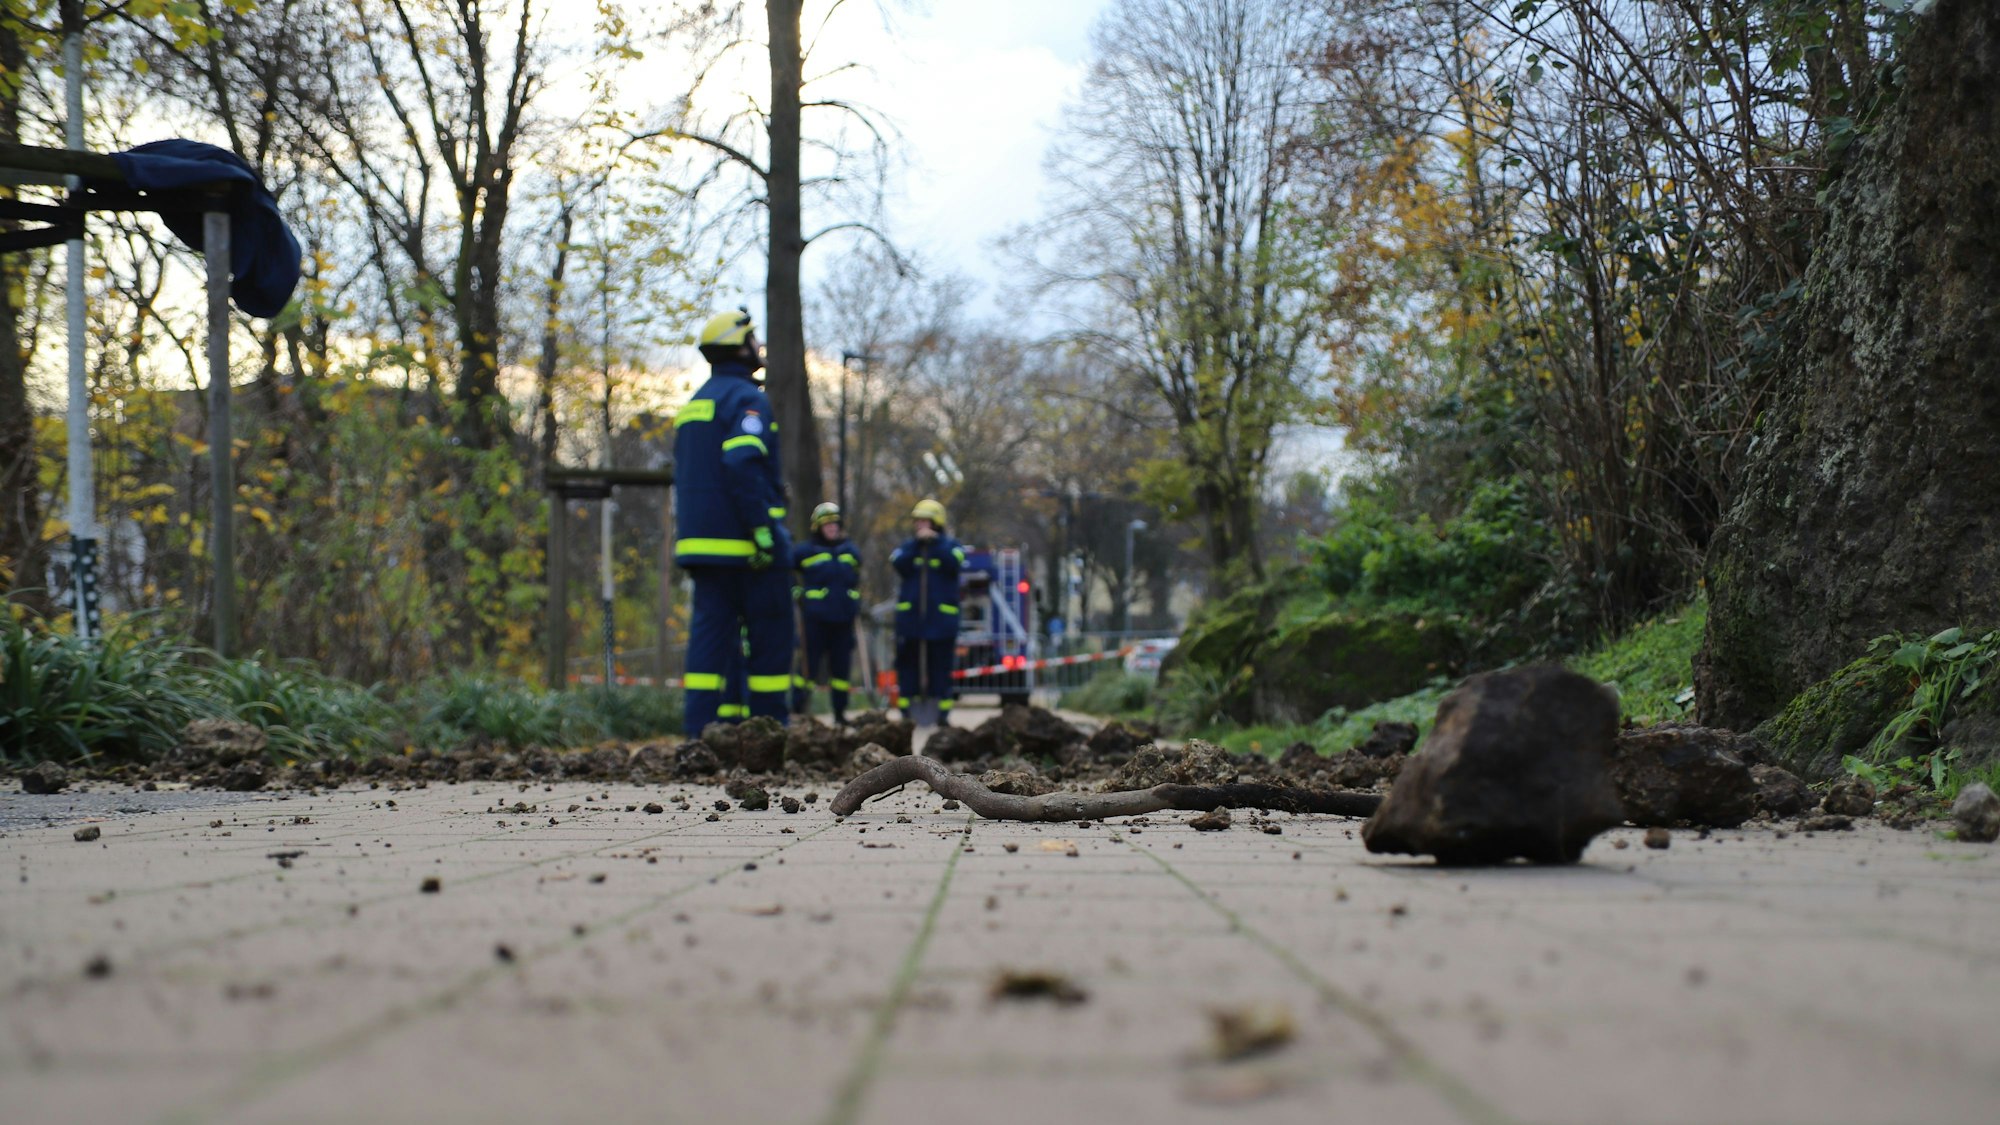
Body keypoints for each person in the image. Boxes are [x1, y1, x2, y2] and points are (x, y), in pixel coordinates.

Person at [672, 308, 794, 733]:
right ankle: (768, 732)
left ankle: (698, 738)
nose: (758, 346)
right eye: (753, 339)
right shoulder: (747, 399)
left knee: (709, 643)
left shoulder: (694, 405)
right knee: (770, 639)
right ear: (740, 346)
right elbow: (742, 462)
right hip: (746, 547)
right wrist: (762, 530)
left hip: (700, 548)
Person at [890, 497, 964, 726]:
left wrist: (936, 543)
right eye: (917, 522)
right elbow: (897, 563)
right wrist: (916, 545)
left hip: (940, 621)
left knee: (940, 667)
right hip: (911, 620)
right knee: (907, 665)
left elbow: (955, 562)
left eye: (925, 521)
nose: (919, 526)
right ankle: (906, 712)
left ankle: (941, 714)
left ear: (936, 523)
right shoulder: (907, 547)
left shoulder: (951, 547)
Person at [792, 501, 862, 725]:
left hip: (843, 619)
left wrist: (854, 598)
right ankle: (799, 709)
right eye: (827, 525)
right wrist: (796, 592)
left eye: (835, 525)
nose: (832, 529)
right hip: (815, 619)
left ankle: (840, 713)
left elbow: (856, 576)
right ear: (818, 527)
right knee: (808, 668)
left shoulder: (850, 551)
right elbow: (788, 572)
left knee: (841, 671)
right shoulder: (805, 551)